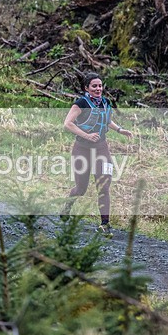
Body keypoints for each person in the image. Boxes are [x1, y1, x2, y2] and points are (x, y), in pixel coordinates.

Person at [61, 72, 132, 238]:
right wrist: (87, 136)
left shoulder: (105, 102)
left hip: (101, 149)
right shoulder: (81, 103)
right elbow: (67, 124)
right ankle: (66, 207)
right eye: (94, 86)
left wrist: (120, 130)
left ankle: (105, 224)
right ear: (87, 88)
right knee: (81, 188)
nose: (98, 89)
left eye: (100, 85)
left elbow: (106, 120)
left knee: (104, 186)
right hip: (82, 149)